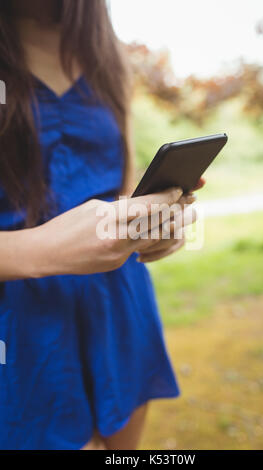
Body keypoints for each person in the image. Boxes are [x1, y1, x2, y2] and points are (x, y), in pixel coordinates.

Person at [0, 0, 204, 450]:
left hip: (118, 302)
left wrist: (152, 230)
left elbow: (123, 186)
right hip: (18, 326)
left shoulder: (106, 55)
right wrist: (41, 250)